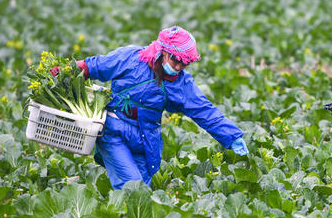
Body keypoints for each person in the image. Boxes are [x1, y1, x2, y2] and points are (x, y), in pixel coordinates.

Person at [75, 25, 248, 190]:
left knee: (142, 193)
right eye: (175, 60)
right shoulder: (131, 58)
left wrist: (232, 136)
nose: (178, 67)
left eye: (184, 64)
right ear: (163, 51)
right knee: (131, 186)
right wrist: (67, 71)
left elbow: (204, 111)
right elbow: (95, 66)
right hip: (113, 131)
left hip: (145, 139)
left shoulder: (181, 83)